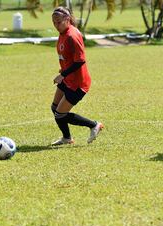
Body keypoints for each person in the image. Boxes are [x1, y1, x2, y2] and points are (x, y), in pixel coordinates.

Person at [50, 6, 103, 146]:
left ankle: (94, 125)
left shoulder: (72, 36)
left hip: (78, 83)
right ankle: (67, 138)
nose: (56, 25)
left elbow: (80, 61)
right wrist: (63, 70)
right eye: (54, 22)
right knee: (55, 108)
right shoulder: (63, 33)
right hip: (68, 78)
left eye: (59, 22)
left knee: (60, 114)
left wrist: (63, 74)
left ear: (67, 19)